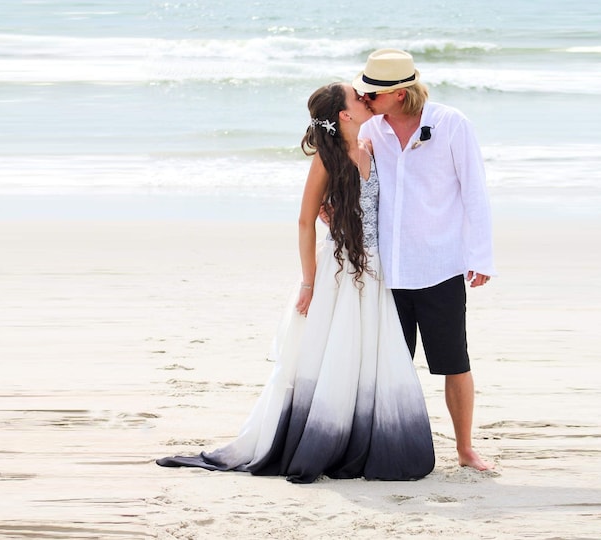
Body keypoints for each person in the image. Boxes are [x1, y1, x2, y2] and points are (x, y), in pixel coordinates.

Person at [156, 82, 435, 483]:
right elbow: (305, 220)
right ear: (344, 115)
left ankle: (364, 439)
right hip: (339, 269)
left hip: (374, 271)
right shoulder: (326, 159)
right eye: (357, 96)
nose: (365, 98)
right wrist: (308, 282)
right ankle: (323, 438)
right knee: (332, 355)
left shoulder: (372, 148)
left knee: (367, 358)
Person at [352, 49, 496, 471]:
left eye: (371, 94)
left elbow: (475, 191)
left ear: (397, 93)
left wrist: (481, 255)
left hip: (440, 267)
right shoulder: (371, 129)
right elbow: (356, 180)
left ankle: (466, 450)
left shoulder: (452, 124)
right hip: (388, 272)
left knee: (454, 363)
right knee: (390, 369)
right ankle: (387, 446)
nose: (364, 99)